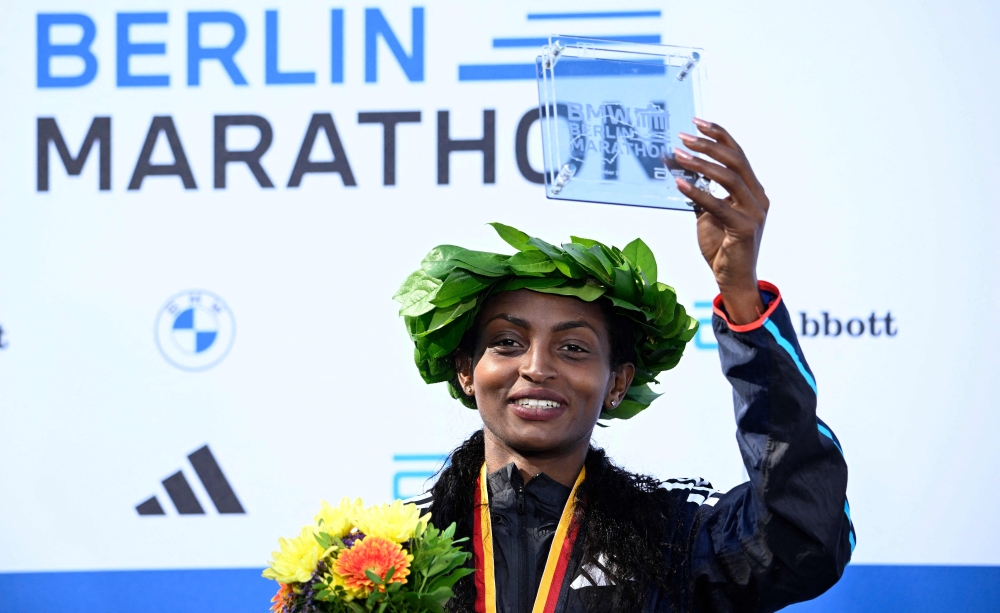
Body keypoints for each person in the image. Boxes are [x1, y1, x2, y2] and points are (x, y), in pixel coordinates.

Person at [394, 120, 855, 613]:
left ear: (618, 382)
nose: (537, 367)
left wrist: (740, 290)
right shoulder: (392, 557)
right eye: (508, 342)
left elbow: (802, 534)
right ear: (466, 371)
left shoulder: (673, 546)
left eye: (573, 348)